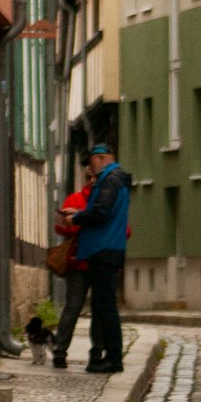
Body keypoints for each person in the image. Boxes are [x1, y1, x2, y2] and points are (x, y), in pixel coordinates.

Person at [65, 143, 131, 374]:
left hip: (104, 250)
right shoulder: (113, 179)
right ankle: (110, 357)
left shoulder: (110, 180)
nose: (90, 167)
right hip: (105, 249)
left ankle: (114, 359)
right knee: (104, 307)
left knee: (106, 307)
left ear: (101, 158)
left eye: (92, 161)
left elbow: (102, 211)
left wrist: (78, 218)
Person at [51, 161, 96, 369]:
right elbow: (59, 226)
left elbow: (125, 230)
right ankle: (59, 351)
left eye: (96, 177)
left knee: (101, 310)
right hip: (78, 263)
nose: (92, 181)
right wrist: (76, 223)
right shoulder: (76, 199)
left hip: (102, 263)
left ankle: (98, 352)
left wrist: (81, 222)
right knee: (73, 307)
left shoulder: (108, 198)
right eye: (89, 177)